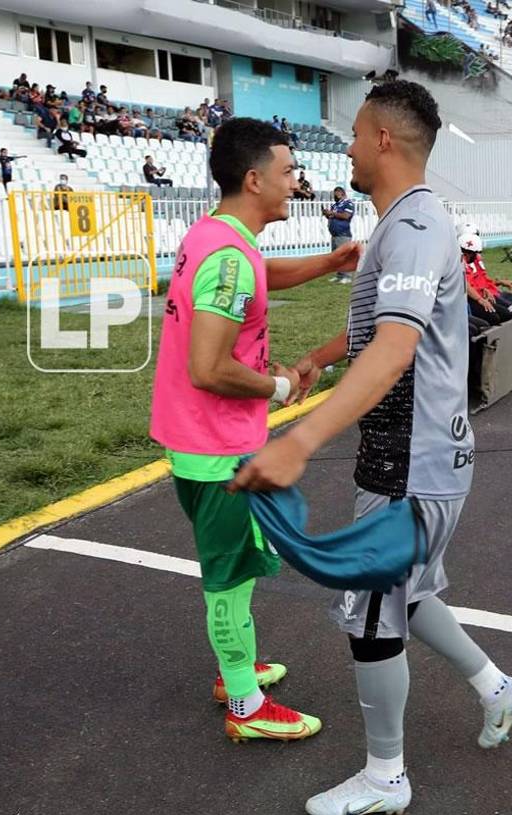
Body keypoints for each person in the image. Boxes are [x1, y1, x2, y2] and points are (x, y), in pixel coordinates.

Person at [231, 81, 512, 815]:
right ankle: (499, 689)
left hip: (410, 461)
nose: (349, 146)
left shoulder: (415, 227)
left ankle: (385, 779)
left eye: (357, 133)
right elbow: (385, 328)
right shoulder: (405, 223)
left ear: (385, 142)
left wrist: (299, 441)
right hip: (418, 456)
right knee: (412, 592)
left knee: (371, 613)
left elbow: (397, 349)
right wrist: (317, 357)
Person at [150, 116, 360, 747]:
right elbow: (209, 368)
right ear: (253, 178)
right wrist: (280, 387)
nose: (296, 182)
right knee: (230, 574)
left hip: (200, 437)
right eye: (289, 171)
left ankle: (235, 670)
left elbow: (259, 276)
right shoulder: (228, 258)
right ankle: (244, 703)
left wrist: (328, 262)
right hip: (218, 447)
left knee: (236, 567)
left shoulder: (218, 237)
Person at [322, 185, 355, 283]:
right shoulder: (335, 205)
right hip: (334, 234)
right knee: (337, 257)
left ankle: (347, 277)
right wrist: (327, 214)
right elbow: (332, 217)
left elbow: (346, 216)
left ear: (342, 193)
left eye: (336, 194)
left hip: (343, 233)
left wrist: (332, 213)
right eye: (334, 194)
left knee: (344, 256)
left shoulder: (348, 203)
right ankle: (339, 275)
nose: (334, 196)